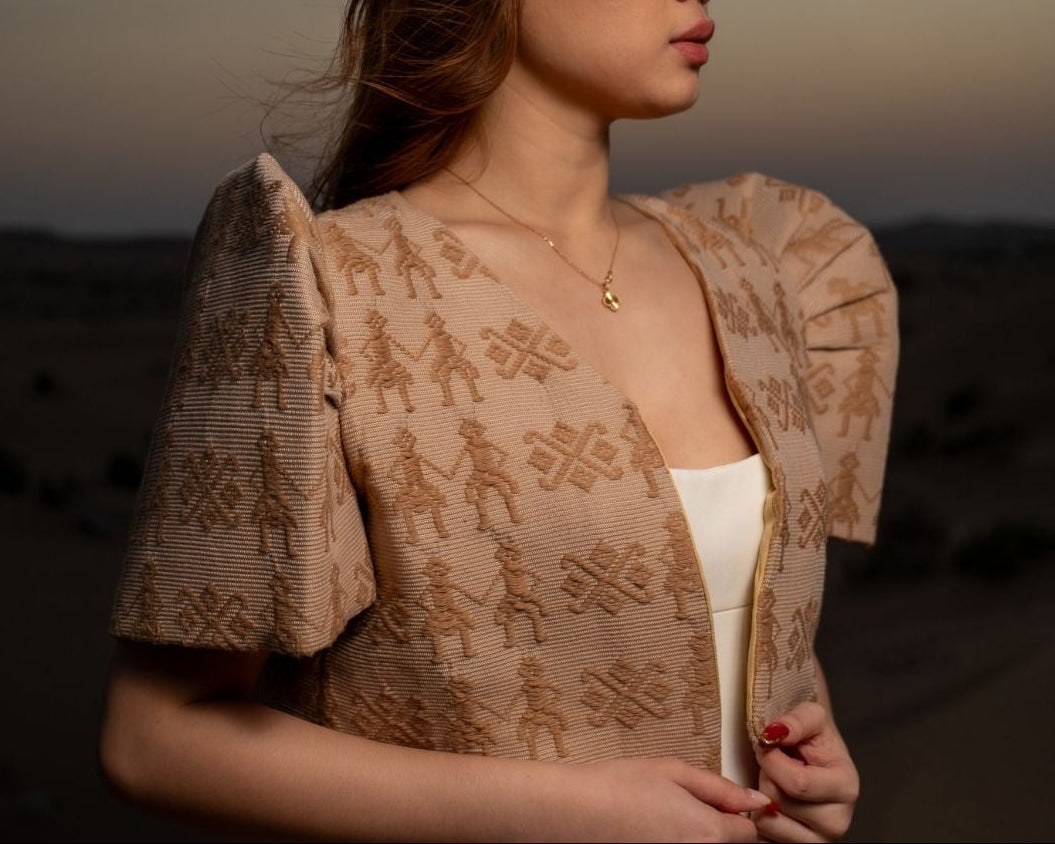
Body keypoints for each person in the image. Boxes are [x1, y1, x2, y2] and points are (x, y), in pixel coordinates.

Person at [98, 1, 898, 841]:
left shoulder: (755, 272)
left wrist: (810, 744)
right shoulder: (327, 288)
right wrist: (566, 814)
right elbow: (151, 740)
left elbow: (743, 614)